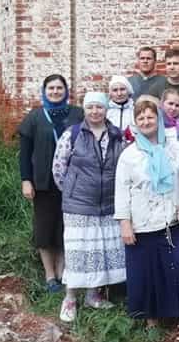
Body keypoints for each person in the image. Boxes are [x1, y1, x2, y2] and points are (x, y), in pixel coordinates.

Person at [114, 96, 179, 331]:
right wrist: (125, 223)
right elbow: (122, 191)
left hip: (173, 220)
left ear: (159, 119)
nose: (146, 121)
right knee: (147, 272)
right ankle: (151, 319)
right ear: (135, 123)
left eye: (150, 116)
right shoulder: (129, 155)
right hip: (142, 224)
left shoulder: (175, 148)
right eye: (141, 117)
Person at [52, 92, 126, 322]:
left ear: (106, 110)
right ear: (84, 109)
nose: (95, 111)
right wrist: (74, 192)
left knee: (100, 252)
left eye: (99, 107)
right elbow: (58, 168)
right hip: (78, 206)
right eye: (90, 107)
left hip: (108, 204)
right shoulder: (72, 134)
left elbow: (123, 167)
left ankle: (94, 295)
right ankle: (70, 298)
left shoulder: (116, 136)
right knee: (78, 253)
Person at [19, 74, 84, 292]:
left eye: (59, 88)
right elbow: (25, 153)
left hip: (72, 183)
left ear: (66, 91)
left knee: (67, 228)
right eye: (51, 88)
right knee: (45, 228)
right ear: (44, 91)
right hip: (43, 183)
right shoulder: (35, 117)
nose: (55, 92)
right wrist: (26, 180)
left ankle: (63, 270)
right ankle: (49, 276)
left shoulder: (77, 114)